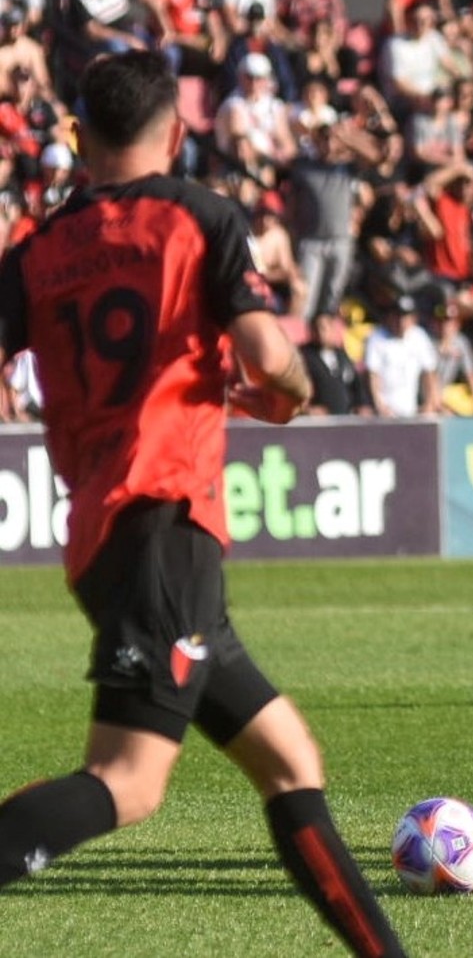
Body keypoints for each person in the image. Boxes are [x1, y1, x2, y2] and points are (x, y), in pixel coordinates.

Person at [0, 51, 403, 955]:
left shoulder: (34, 254)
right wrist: (291, 392)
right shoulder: (200, 215)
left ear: (78, 136)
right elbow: (268, 356)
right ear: (175, 133)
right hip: (165, 522)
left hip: (108, 536)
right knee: (129, 781)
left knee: (289, 760)